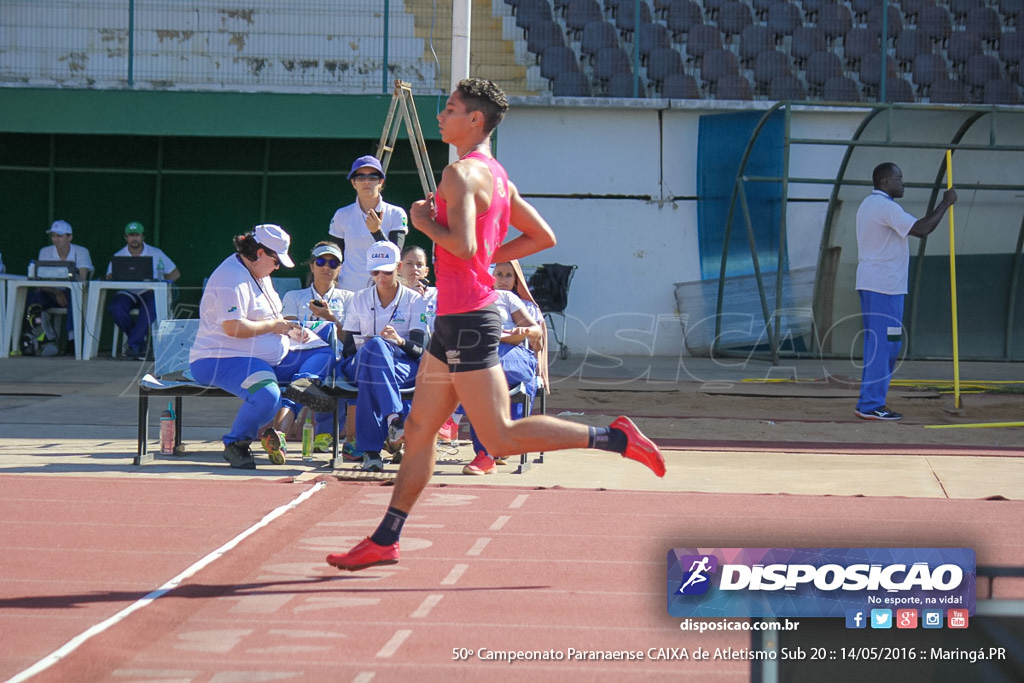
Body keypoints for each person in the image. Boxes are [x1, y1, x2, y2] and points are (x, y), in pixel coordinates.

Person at [325, 78, 665, 572]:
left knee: (500, 437)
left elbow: (460, 246)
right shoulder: (497, 176)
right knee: (419, 428)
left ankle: (615, 437)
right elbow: (540, 236)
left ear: (475, 120)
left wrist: (423, 221)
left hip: (468, 320)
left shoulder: (461, 174)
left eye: (450, 109)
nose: (440, 116)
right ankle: (386, 538)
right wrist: (485, 258)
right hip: (453, 319)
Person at [188, 224, 333, 469]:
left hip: (270, 354)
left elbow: (270, 318)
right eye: (276, 262)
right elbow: (233, 328)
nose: (277, 268)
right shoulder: (230, 277)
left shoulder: (257, 272)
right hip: (223, 358)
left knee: (327, 346)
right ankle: (236, 444)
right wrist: (275, 327)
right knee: (266, 396)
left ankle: (302, 386)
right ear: (261, 253)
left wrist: (290, 329)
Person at [855, 162, 957, 421]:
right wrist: (945, 203)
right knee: (885, 346)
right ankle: (870, 404)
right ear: (885, 182)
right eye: (899, 179)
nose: (904, 184)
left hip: (877, 285)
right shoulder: (885, 207)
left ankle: (870, 401)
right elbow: (922, 229)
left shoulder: (869, 205)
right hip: (883, 288)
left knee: (882, 344)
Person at [332, 242, 427, 472]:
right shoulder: (360, 298)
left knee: (372, 369)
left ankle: (371, 452)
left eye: (386, 270)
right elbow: (348, 349)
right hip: (362, 362)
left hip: (402, 364)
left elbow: (420, 350)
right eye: (375, 271)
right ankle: (394, 418)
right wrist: (372, 348)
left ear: (398, 267)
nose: (381, 276)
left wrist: (399, 341)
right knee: (373, 349)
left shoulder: (415, 300)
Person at [462, 260, 544, 475]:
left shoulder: (508, 298)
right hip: (484, 358)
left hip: (512, 356)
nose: (503, 280)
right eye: (499, 274)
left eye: (508, 275)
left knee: (481, 378)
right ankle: (486, 453)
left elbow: (537, 334)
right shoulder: (471, 299)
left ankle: (484, 448)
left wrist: (520, 333)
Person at [279, 241, 354, 452]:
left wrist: (328, 318)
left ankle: (324, 433)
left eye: (333, 263)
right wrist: (319, 325)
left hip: (338, 359)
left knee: (337, 372)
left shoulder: (350, 298)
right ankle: (284, 432)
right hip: (300, 358)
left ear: (339, 269)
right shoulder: (294, 296)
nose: (326, 267)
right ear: (312, 266)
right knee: (319, 371)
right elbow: (289, 332)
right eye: (321, 262)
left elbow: (350, 340)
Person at [328, 155, 408, 292]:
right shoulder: (341, 214)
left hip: (383, 290)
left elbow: (395, 255)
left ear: (381, 182)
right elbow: (335, 255)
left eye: (372, 177)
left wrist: (376, 232)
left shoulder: (396, 213)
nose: (366, 182)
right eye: (361, 178)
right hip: (348, 290)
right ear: (353, 183)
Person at [104, 221, 181, 360]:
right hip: (126, 292)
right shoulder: (119, 255)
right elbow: (109, 276)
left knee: (152, 306)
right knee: (116, 307)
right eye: (131, 235)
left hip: (149, 291)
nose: (134, 238)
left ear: (143, 237)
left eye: (137, 235)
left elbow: (175, 273)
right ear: (126, 237)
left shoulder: (156, 253)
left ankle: (133, 345)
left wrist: (164, 283)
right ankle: (140, 344)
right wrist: (112, 276)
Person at [26, 220, 94, 353]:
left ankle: (72, 340)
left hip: (72, 293)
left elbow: (82, 279)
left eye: (60, 236)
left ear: (70, 237)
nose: (56, 239)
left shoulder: (81, 252)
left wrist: (64, 291)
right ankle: (44, 337)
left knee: (75, 297)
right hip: (50, 292)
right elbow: (39, 282)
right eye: (53, 236)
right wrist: (56, 292)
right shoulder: (45, 252)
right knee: (34, 298)